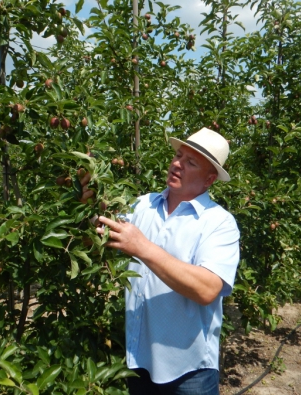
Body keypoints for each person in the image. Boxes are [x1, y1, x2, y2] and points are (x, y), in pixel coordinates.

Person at [96, 127, 240, 395]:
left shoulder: (219, 223)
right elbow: (101, 226)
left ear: (209, 179)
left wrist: (142, 247)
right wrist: (89, 200)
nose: (177, 164)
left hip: (188, 372)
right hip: (138, 361)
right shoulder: (142, 206)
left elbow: (208, 289)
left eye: (190, 162)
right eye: (178, 155)